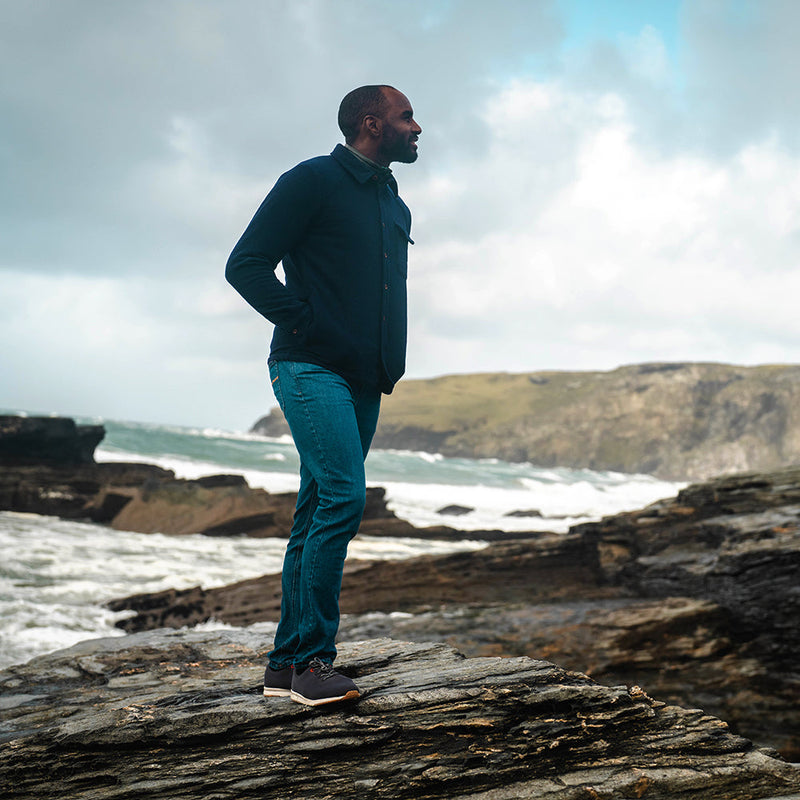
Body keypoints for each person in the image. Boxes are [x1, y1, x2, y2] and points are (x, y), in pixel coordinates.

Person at [225, 85, 421, 706]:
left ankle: (284, 667)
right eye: (406, 117)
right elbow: (247, 263)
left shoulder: (394, 202)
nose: (418, 128)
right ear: (372, 123)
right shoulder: (310, 181)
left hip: (364, 380)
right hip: (310, 368)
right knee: (343, 496)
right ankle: (314, 663)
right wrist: (304, 321)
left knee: (315, 509)